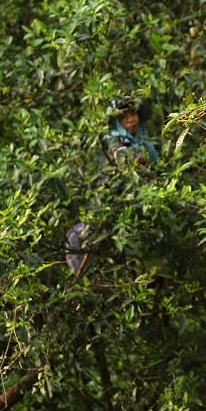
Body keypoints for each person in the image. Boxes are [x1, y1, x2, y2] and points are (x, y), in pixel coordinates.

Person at [64, 99, 158, 278]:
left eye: (133, 114)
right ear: (118, 121)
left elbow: (153, 160)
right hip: (110, 191)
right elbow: (121, 156)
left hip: (138, 193)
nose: (131, 119)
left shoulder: (143, 135)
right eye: (124, 117)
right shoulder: (112, 137)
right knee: (88, 232)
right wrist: (136, 160)